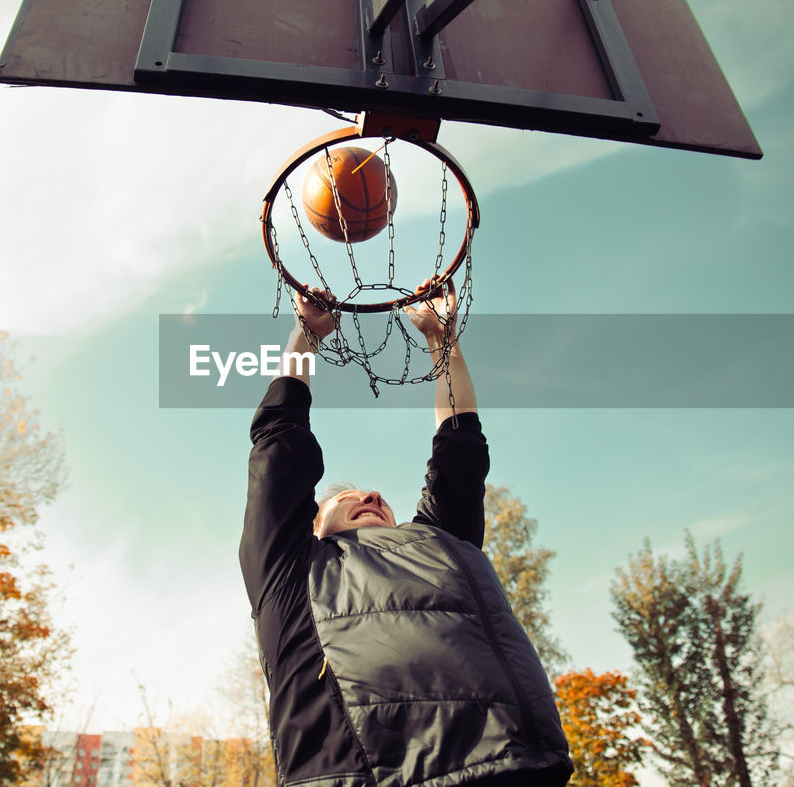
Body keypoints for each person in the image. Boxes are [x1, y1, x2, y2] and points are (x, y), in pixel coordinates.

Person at [241, 279, 573, 787]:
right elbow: (278, 447)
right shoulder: (289, 571)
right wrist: (305, 338)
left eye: (377, 498)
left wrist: (442, 341)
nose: (370, 496)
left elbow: (460, 441)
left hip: (507, 765)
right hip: (356, 776)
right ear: (315, 527)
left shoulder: (439, 542)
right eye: (346, 500)